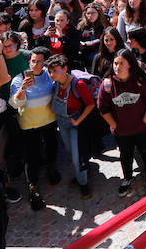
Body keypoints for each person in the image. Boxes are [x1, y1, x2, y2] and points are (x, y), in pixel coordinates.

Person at [97, 48, 146, 196]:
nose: (117, 67)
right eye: (115, 63)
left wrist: (144, 120)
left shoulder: (141, 80)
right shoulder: (108, 84)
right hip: (122, 131)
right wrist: (115, 125)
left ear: (130, 64)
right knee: (125, 154)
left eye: (121, 63)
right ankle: (127, 178)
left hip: (142, 128)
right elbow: (103, 108)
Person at [9, 46, 59, 211]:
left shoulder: (49, 74)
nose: (36, 65)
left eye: (40, 62)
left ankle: (52, 168)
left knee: (52, 147)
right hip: (29, 124)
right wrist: (23, 89)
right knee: (32, 156)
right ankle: (33, 186)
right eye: (33, 61)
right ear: (28, 61)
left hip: (50, 121)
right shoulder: (19, 79)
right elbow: (15, 103)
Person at [45, 54, 95, 199]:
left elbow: (91, 104)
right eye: (50, 71)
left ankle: (83, 183)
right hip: (61, 122)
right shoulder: (56, 84)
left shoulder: (78, 84)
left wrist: (78, 121)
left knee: (75, 157)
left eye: (56, 70)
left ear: (65, 68)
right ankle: (84, 170)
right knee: (72, 152)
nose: (52, 74)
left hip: (75, 124)